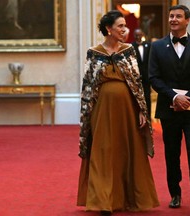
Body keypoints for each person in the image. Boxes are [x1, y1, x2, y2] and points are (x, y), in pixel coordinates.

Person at [77, 10, 159, 216]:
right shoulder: (93, 52)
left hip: (127, 110)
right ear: (108, 29)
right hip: (102, 110)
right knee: (103, 151)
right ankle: (104, 201)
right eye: (120, 26)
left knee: (126, 150)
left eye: (125, 26)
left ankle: (129, 198)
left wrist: (142, 110)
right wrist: (86, 115)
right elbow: (87, 86)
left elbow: (137, 83)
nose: (125, 30)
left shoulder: (129, 51)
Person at [148, 5, 190, 209]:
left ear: (187, 21)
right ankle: (175, 193)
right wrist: (175, 97)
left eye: (178, 16)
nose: (174, 19)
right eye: (171, 16)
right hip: (169, 109)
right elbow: (154, 78)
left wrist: (189, 98)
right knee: (172, 153)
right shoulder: (157, 47)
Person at [132, 28, 152, 118]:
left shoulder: (148, 45)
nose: (138, 37)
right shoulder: (131, 47)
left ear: (142, 35)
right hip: (136, 78)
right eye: (136, 35)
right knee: (136, 99)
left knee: (147, 98)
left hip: (147, 77)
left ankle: (148, 119)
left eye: (139, 35)